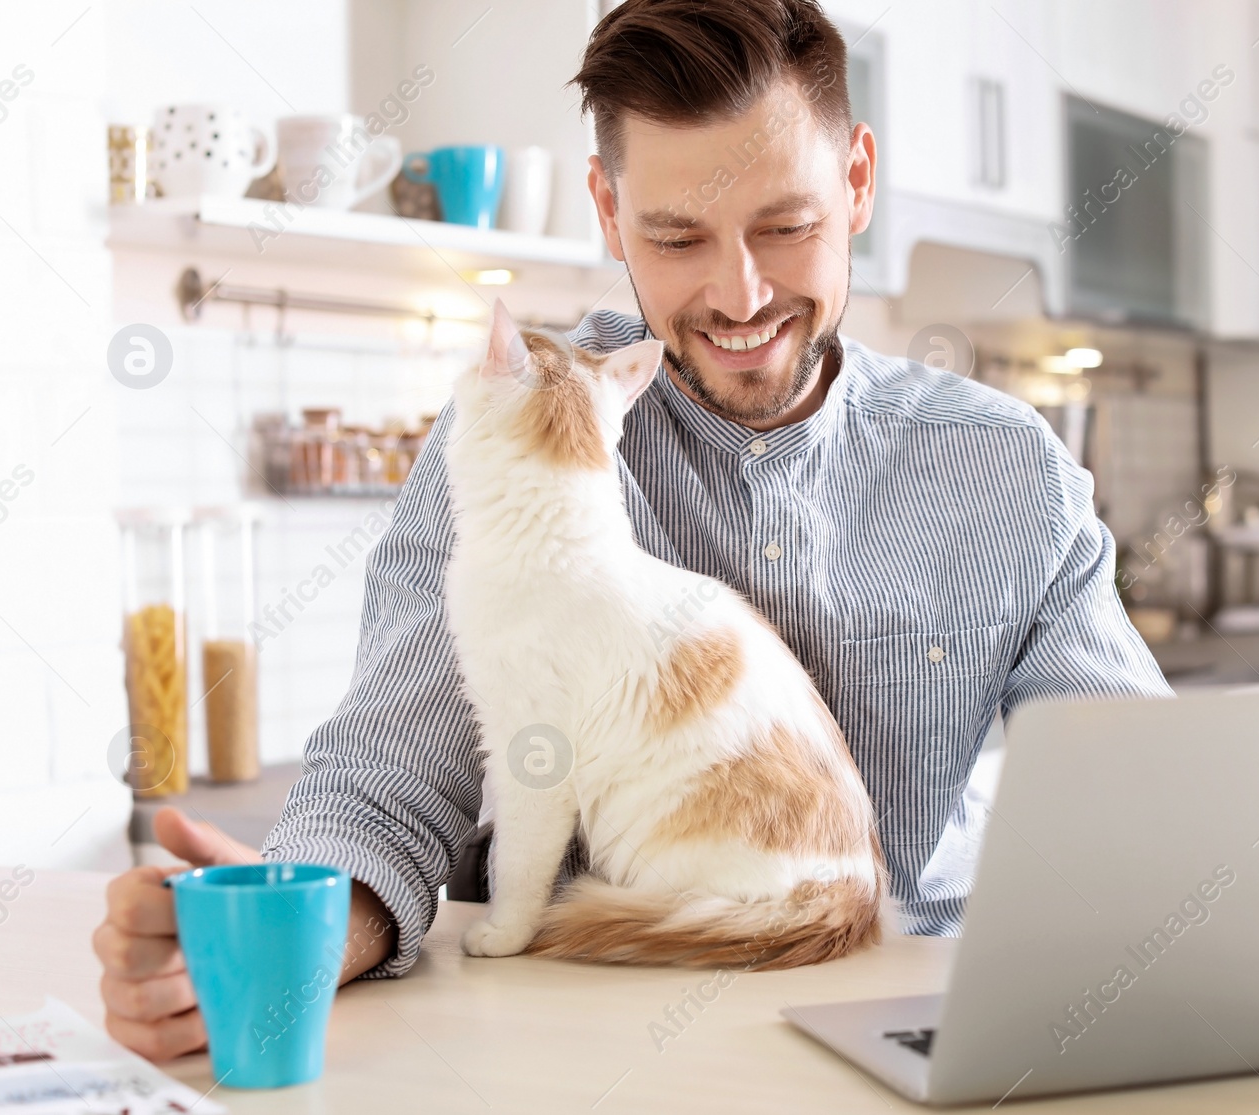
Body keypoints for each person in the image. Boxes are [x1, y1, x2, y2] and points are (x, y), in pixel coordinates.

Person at [93, 0, 1172, 1061]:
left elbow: (1142, 800)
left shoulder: (1003, 466)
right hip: (582, 1044)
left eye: (785, 226)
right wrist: (300, 935)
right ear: (609, 212)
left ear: (855, 183)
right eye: (676, 235)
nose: (739, 293)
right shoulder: (512, 431)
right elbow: (384, 783)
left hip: (913, 1031)